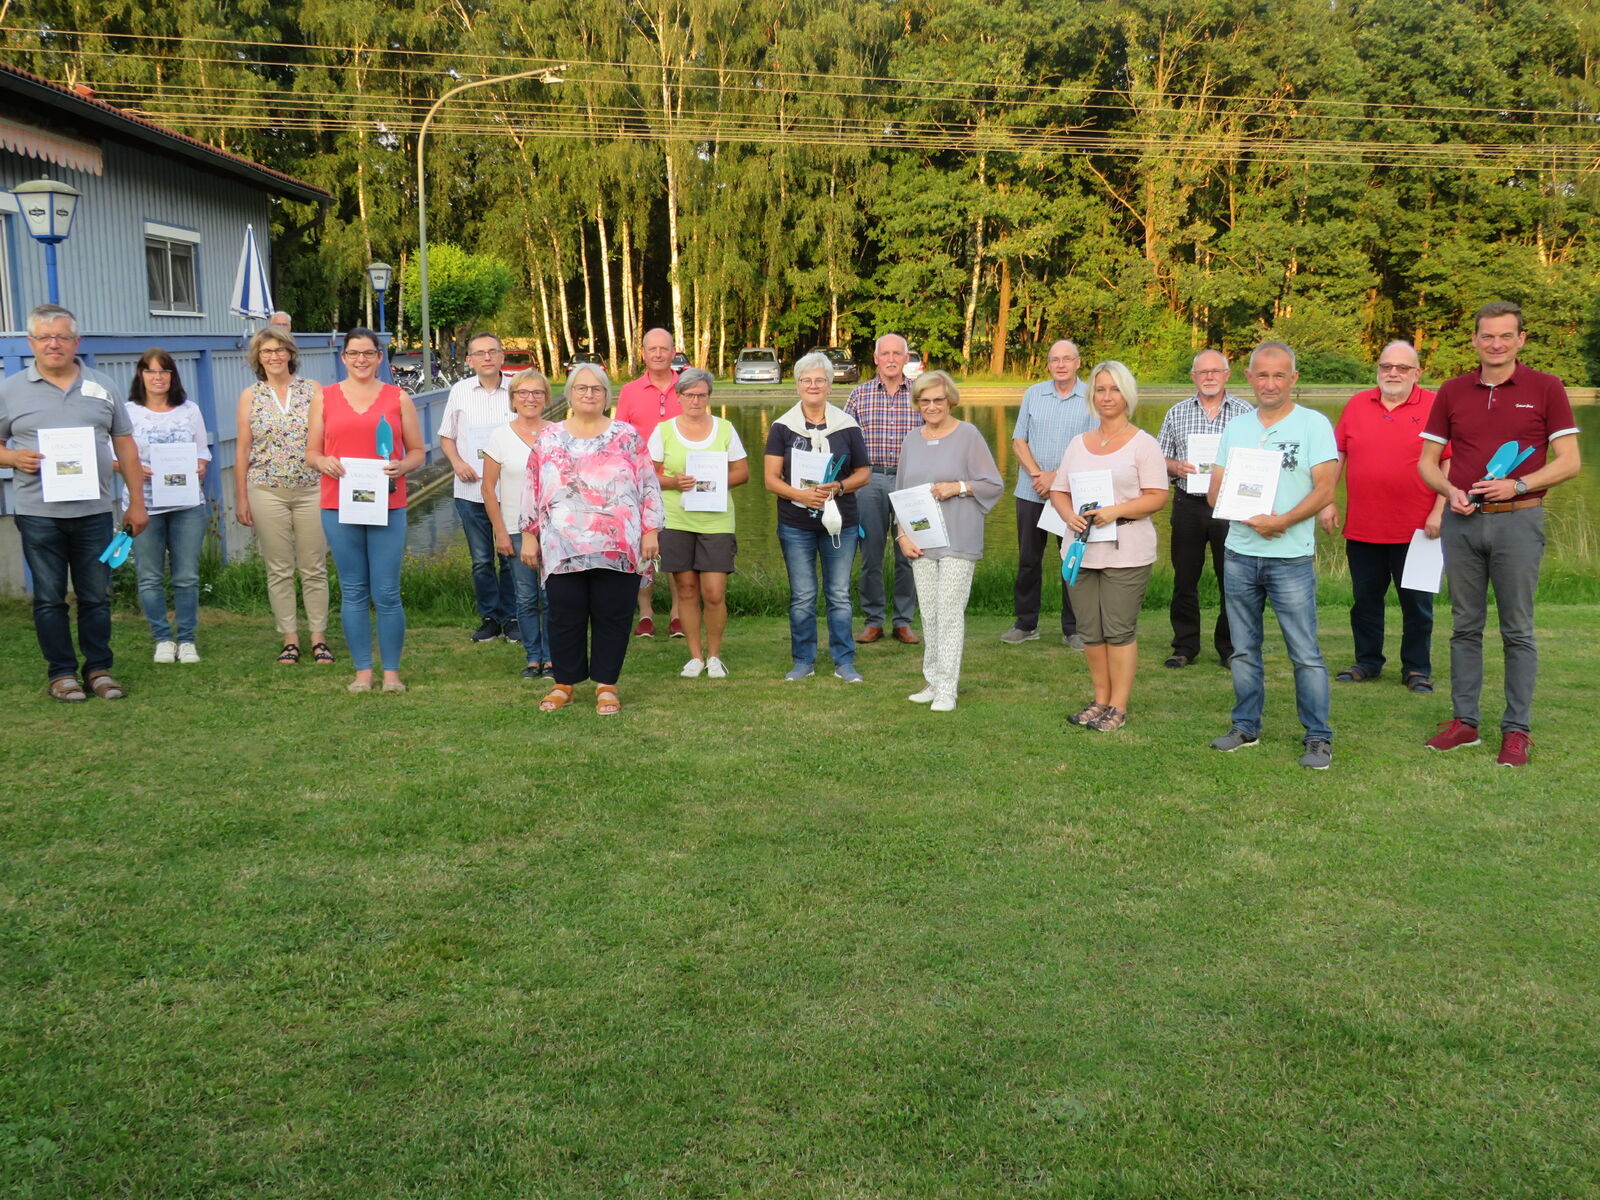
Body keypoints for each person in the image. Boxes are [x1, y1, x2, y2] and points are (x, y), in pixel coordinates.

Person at [1419, 301, 1582, 767]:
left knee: (1518, 630)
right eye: (1487, 336)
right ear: (1474, 339)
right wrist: (1449, 490)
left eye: (1505, 336)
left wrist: (1520, 483)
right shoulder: (1451, 391)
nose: (1496, 344)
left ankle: (1516, 730)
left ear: (1521, 339)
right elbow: (1427, 463)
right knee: (1465, 626)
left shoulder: (1546, 388)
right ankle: (1465, 722)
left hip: (1519, 519)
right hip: (1462, 521)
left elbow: (1570, 462)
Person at [0, 304, 149, 701]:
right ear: (31, 342)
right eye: (45, 337)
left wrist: (137, 502)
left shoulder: (102, 386)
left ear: (75, 342)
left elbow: (125, 445)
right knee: (49, 598)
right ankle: (62, 674)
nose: (54, 344)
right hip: (38, 514)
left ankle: (99, 670)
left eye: (62, 337)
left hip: (95, 512)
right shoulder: (10, 390)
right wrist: (12, 457)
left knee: (96, 596)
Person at [1207, 341, 1339, 769]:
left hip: (1290, 557)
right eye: (1261, 375)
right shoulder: (1237, 428)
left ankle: (1318, 737)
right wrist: (1236, 508)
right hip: (1239, 553)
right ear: (1248, 378)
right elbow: (1215, 490)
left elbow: (1325, 489)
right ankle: (1245, 726)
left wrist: (1281, 521)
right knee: (1244, 650)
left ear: (1293, 379)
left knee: (1305, 652)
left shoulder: (1314, 425)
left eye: (1279, 375)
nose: (1269, 383)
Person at [521, 364, 663, 715]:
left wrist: (651, 531)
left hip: (618, 545)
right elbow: (531, 487)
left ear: (606, 396)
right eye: (582, 388)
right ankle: (564, 684)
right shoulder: (549, 438)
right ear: (569, 394)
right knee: (563, 614)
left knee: (612, 616)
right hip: (561, 544)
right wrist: (528, 534)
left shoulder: (627, 437)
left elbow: (648, 485)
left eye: (596, 388)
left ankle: (606, 685)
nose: (588, 394)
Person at [1048, 361, 1169, 731]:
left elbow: (1157, 497)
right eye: (1100, 389)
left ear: (1127, 395)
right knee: (1091, 630)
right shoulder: (1077, 444)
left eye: (1114, 389)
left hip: (1126, 549)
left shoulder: (1143, 444)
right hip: (1082, 549)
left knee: (1118, 630)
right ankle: (1099, 699)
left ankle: (1118, 706)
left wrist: (1114, 511)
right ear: (1092, 396)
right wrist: (1068, 515)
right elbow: (1058, 489)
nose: (1107, 397)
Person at [1318, 341, 1445, 693]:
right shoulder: (1358, 404)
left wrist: (1440, 509)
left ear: (1417, 372)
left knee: (1418, 605)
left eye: (1402, 368)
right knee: (1365, 601)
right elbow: (1337, 454)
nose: (1393, 373)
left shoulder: (1435, 406)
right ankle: (1367, 662)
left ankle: (1417, 668)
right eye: (1386, 366)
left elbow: (1448, 459)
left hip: (1420, 528)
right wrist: (1327, 500)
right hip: (1364, 526)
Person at [307, 328, 425, 694]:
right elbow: (311, 452)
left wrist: (402, 467)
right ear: (343, 357)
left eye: (369, 353)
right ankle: (362, 671)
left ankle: (391, 672)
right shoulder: (323, 398)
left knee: (387, 591)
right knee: (354, 589)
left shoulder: (397, 397)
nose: (361, 359)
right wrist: (324, 462)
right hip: (338, 504)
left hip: (388, 505)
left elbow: (418, 451)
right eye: (354, 353)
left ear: (379, 357)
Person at [892, 371, 1002, 711]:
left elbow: (993, 483)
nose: (932, 406)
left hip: (959, 537)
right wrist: (900, 535)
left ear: (950, 401)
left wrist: (959, 487)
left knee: (950, 611)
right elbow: (901, 492)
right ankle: (932, 679)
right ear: (917, 404)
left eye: (938, 399)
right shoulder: (911, 440)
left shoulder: (968, 435)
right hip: (922, 541)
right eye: (925, 400)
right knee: (930, 613)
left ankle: (947, 689)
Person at [764, 350, 872, 682]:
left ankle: (844, 660)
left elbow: (864, 473)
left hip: (841, 522)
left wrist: (838, 486)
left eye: (820, 380)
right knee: (803, 595)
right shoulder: (782, 427)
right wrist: (801, 495)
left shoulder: (847, 425)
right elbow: (770, 479)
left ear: (829, 384)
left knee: (839, 594)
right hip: (796, 523)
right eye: (807, 380)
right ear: (797, 385)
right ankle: (803, 660)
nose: (813, 385)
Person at [235, 326, 332, 665]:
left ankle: (318, 637)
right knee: (278, 567)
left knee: (313, 566)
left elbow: (329, 437)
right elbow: (244, 448)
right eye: (266, 352)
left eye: (279, 350)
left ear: (291, 353)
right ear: (258, 359)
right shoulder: (251, 395)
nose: (273, 356)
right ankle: (290, 638)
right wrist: (241, 498)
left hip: (312, 488)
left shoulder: (314, 390)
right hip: (266, 489)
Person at [648, 367, 749, 679]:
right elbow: (648, 475)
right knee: (687, 589)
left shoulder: (725, 428)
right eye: (689, 394)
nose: (695, 400)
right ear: (678, 397)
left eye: (701, 395)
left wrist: (715, 481)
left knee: (714, 592)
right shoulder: (663, 430)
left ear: (709, 397)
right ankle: (695, 656)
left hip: (717, 521)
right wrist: (674, 482)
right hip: (676, 520)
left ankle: (715, 655)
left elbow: (742, 472)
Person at [1156, 348, 1252, 668]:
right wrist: (1175, 467)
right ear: (1193, 377)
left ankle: (1229, 648)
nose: (1209, 377)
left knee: (1233, 580)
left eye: (1216, 371)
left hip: (1231, 507)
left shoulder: (1245, 413)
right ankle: (1184, 647)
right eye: (1203, 372)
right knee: (1185, 578)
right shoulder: (1176, 413)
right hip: (1189, 505)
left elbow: (1257, 463)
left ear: (1227, 375)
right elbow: (1159, 459)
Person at [1000, 338, 1097, 650]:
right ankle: (1026, 624)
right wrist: (1038, 475)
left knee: (1072, 559)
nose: (1061, 365)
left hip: (1071, 494)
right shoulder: (1033, 393)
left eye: (1067, 359)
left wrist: (1056, 478)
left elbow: (1093, 444)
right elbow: (1018, 440)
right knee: (1029, 560)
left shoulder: (1091, 397)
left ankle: (1075, 629)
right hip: (1031, 491)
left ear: (1078, 363)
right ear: (1048, 364)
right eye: (1055, 359)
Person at [126, 349, 211, 664]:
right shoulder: (127, 413)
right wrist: (132, 468)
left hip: (186, 504)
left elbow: (203, 451)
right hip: (144, 505)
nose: (157, 377)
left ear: (173, 376)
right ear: (141, 375)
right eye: (150, 371)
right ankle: (162, 638)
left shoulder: (189, 410)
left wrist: (200, 466)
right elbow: (113, 458)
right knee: (149, 575)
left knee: (186, 576)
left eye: (164, 371)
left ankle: (186, 640)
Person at [438, 331, 516, 643]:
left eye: (492, 352)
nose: (486, 357)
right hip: (470, 491)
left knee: (510, 558)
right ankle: (490, 618)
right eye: (479, 353)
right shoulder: (459, 391)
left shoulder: (517, 389)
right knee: (482, 560)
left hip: (509, 490)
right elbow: (446, 436)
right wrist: (457, 463)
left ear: (501, 357)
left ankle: (512, 617)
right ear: (469, 360)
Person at [844, 332, 920, 645]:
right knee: (871, 555)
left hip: (910, 481)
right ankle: (873, 620)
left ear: (906, 359)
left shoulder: (920, 393)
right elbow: (844, 441)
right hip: (868, 481)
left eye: (896, 354)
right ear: (875, 359)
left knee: (910, 555)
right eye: (884, 354)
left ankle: (903, 621)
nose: (890, 359)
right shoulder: (859, 395)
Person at [481, 368, 552, 681]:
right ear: (513, 399)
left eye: (537, 392)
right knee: (525, 597)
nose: (530, 398)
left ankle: (552, 658)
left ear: (546, 398)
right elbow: (487, 488)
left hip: (554, 531)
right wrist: (500, 531)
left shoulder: (558, 433)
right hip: (514, 528)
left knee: (552, 597)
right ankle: (533, 657)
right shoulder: (499, 436)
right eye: (523, 392)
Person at [614, 327, 684, 638]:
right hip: (640, 482)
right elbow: (619, 438)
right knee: (645, 550)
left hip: (681, 482)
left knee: (677, 550)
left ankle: (678, 613)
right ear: (643, 353)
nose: (657, 354)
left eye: (663, 349)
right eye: (651, 349)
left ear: (673, 352)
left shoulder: (688, 386)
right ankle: (645, 612)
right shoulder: (630, 390)